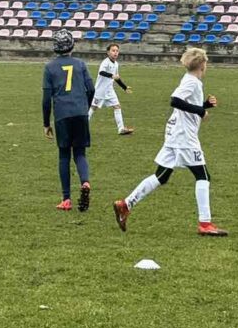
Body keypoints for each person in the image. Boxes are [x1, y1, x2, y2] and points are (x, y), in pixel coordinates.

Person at [113, 47, 227, 236]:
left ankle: (125, 204)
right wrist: (200, 111)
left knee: (162, 176)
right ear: (202, 65)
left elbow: (184, 104)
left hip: (175, 133)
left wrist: (204, 105)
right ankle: (205, 224)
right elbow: (175, 100)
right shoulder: (192, 82)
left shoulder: (189, 79)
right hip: (184, 137)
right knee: (203, 176)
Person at [42, 30, 95, 211]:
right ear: (72, 45)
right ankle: (85, 182)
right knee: (80, 153)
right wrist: (85, 107)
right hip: (80, 112)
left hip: (62, 114)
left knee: (64, 155)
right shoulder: (80, 64)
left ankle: (66, 199)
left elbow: (46, 99)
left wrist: (46, 123)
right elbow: (91, 89)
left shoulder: (49, 68)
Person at [88, 43, 134, 135]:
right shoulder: (105, 62)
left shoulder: (116, 64)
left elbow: (116, 77)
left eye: (117, 51)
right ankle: (80, 128)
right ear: (108, 52)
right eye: (113, 51)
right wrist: (111, 75)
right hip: (100, 91)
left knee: (117, 106)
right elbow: (101, 72)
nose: (115, 53)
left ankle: (121, 129)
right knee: (93, 108)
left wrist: (124, 87)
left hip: (109, 91)